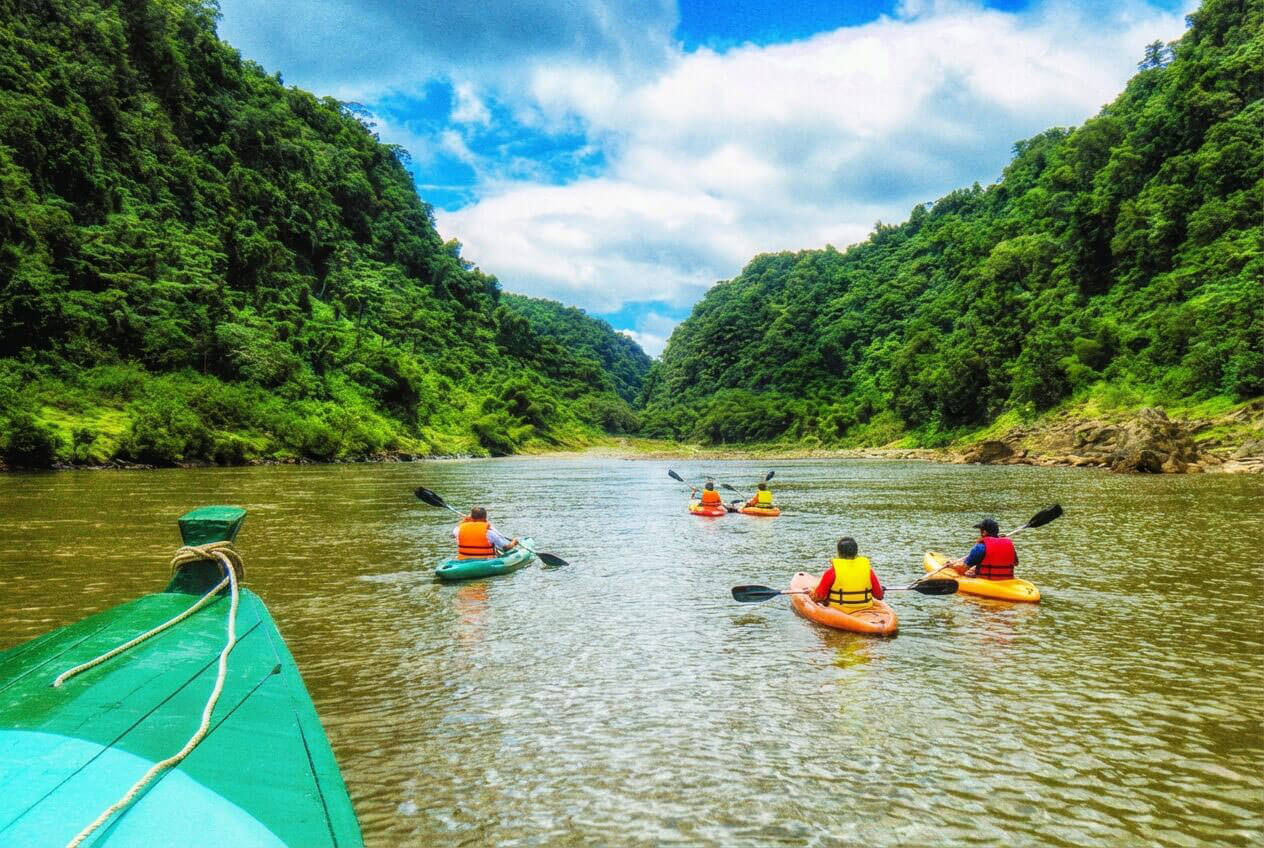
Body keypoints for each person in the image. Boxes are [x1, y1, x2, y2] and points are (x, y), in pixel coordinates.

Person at [811, 537, 884, 611]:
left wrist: (811, 594)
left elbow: (819, 596)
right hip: (864, 608)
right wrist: (881, 590)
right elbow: (879, 596)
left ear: (839, 552)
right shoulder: (868, 571)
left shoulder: (831, 572)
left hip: (839, 610)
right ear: (856, 552)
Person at [453, 506, 518, 560]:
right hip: (486, 561)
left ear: (471, 517)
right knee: (496, 548)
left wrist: (465, 520)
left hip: (464, 559)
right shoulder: (490, 532)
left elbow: (458, 528)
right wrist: (513, 543)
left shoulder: (458, 530)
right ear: (485, 517)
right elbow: (505, 548)